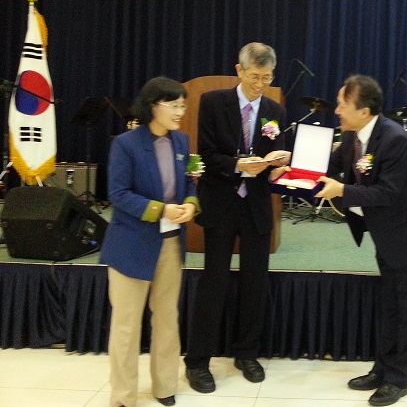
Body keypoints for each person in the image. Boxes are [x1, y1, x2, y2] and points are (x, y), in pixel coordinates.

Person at [316, 75, 407, 407]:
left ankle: (399, 379)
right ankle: (382, 369)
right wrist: (293, 165)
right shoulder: (352, 135)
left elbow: (387, 192)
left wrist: (342, 190)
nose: (336, 110)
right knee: (390, 306)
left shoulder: (394, 139)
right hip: (385, 235)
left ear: (364, 111)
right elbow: (330, 165)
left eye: (342, 104)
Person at [184, 42, 290, 392]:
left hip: (256, 206)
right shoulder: (214, 102)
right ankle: (198, 361)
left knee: (255, 282)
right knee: (214, 281)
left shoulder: (275, 110)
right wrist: (238, 165)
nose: (260, 84)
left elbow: (275, 157)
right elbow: (207, 153)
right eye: (255, 76)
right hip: (221, 202)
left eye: (267, 77)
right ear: (239, 70)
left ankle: (247, 353)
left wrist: (279, 164)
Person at [100, 76, 200, 407]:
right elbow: (118, 194)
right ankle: (123, 396)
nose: (180, 112)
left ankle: (165, 386)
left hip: (170, 243)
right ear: (153, 106)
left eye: (183, 105)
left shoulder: (182, 141)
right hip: (131, 245)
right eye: (175, 105)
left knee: (167, 318)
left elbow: (191, 182)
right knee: (126, 326)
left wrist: (190, 204)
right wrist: (160, 210)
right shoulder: (125, 144)